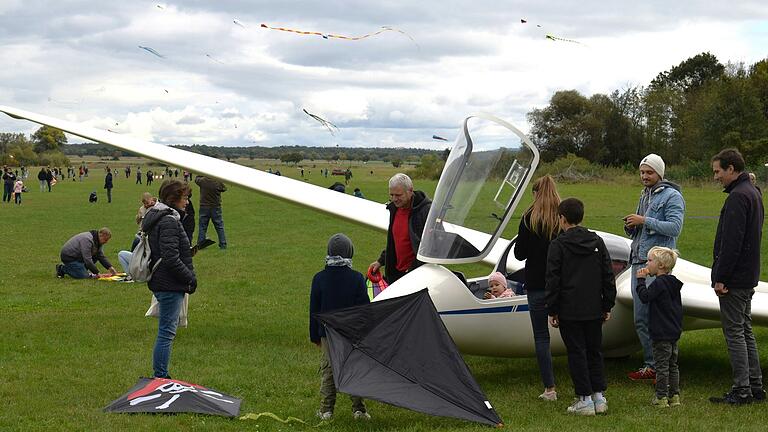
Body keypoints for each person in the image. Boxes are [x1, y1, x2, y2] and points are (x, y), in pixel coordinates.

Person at [546, 198, 616, 416]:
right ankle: (599, 396)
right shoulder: (597, 242)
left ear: (562, 218)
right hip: (594, 306)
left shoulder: (558, 245)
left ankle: (584, 399)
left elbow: (553, 279)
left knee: (577, 351)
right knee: (594, 350)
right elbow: (608, 274)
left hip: (570, 309)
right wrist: (607, 304)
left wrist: (552, 309)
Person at [708, 148, 765, 405]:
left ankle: (742, 389)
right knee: (745, 329)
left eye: (718, 171)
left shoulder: (737, 198)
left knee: (734, 333)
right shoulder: (753, 193)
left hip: (735, 279)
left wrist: (721, 278)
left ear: (731, 169)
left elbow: (731, 244)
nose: (716, 177)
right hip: (748, 276)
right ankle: (755, 386)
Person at [623, 154, 685, 382]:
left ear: (660, 173)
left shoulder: (672, 196)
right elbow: (642, 227)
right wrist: (631, 227)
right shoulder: (645, 194)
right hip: (638, 260)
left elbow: (675, 228)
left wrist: (643, 221)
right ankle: (653, 364)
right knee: (640, 317)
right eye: (642, 172)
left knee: (652, 317)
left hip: (658, 265)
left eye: (649, 172)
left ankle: (658, 366)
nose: (645, 176)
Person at [309, 233, 371, 421]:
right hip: (351, 334)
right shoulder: (357, 279)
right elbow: (364, 310)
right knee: (353, 368)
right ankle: (358, 410)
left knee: (328, 370)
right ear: (350, 253)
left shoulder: (319, 278)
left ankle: (326, 410)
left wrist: (315, 336)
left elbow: (314, 311)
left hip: (328, 334)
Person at [514, 175, 561, 401]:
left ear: (535, 194)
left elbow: (519, 254)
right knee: (573, 334)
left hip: (536, 284)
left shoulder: (528, 218)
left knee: (542, 337)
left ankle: (550, 388)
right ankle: (589, 388)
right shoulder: (562, 217)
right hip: (562, 284)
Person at [144, 179, 196, 379]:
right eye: (185, 198)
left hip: (165, 281)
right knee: (166, 333)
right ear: (174, 199)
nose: (187, 202)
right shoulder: (168, 220)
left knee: (166, 331)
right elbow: (170, 257)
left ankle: (161, 375)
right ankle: (161, 377)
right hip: (169, 283)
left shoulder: (163, 217)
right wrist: (190, 278)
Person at [636, 246, 683, 408]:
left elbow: (644, 297)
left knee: (661, 366)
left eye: (649, 260)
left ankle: (661, 397)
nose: (646, 264)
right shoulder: (673, 283)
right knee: (672, 365)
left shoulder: (658, 284)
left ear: (661, 265)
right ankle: (674, 395)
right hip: (673, 331)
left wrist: (641, 280)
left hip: (660, 332)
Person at [368, 173, 432, 284]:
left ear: (410, 191)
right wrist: (380, 261)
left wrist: (411, 271)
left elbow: (429, 247)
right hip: (396, 274)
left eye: (398, 195)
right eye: (391, 195)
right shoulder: (394, 209)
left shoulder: (425, 212)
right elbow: (394, 242)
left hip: (417, 277)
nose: (394, 199)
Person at [195, 175, 228, 249]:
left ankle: (200, 244)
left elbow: (196, 179)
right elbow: (224, 188)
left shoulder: (202, 181)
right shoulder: (217, 182)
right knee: (219, 226)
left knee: (202, 227)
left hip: (204, 206)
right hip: (215, 206)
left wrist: (200, 173)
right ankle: (223, 244)